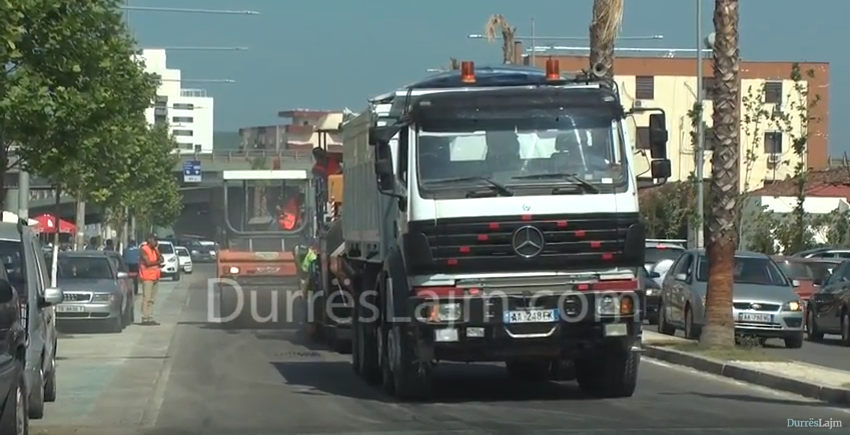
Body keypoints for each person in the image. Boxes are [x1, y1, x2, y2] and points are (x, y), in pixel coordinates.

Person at [138, 234, 163, 325]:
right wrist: (158, 262)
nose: (156, 242)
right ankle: (145, 317)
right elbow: (148, 263)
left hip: (155, 277)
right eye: (154, 240)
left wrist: (156, 249)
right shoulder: (144, 249)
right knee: (147, 298)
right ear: (149, 240)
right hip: (147, 277)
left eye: (157, 240)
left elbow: (162, 259)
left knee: (152, 299)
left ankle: (150, 317)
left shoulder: (154, 250)